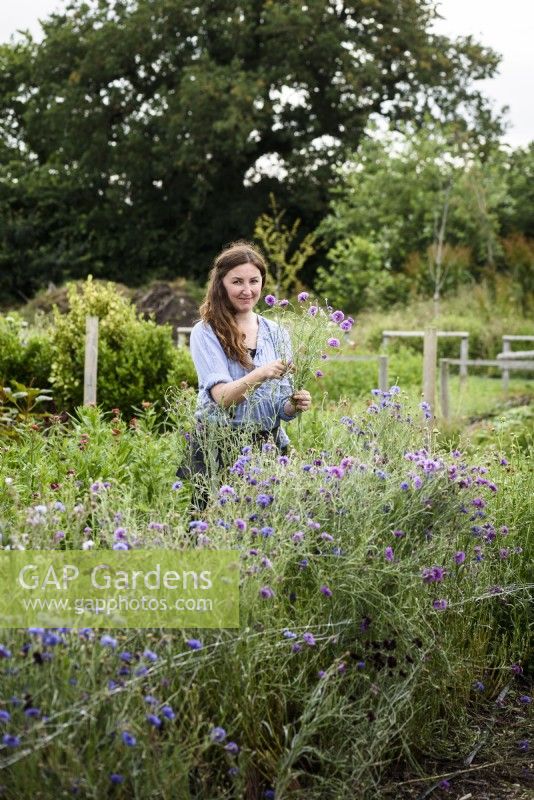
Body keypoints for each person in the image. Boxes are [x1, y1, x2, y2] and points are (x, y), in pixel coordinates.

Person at [184, 241, 311, 485]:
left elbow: (279, 410)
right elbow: (222, 398)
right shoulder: (206, 332)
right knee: (213, 521)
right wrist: (261, 373)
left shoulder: (277, 332)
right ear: (221, 284)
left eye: (254, 281)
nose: (247, 290)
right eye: (237, 282)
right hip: (219, 447)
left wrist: (294, 404)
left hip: (267, 448)